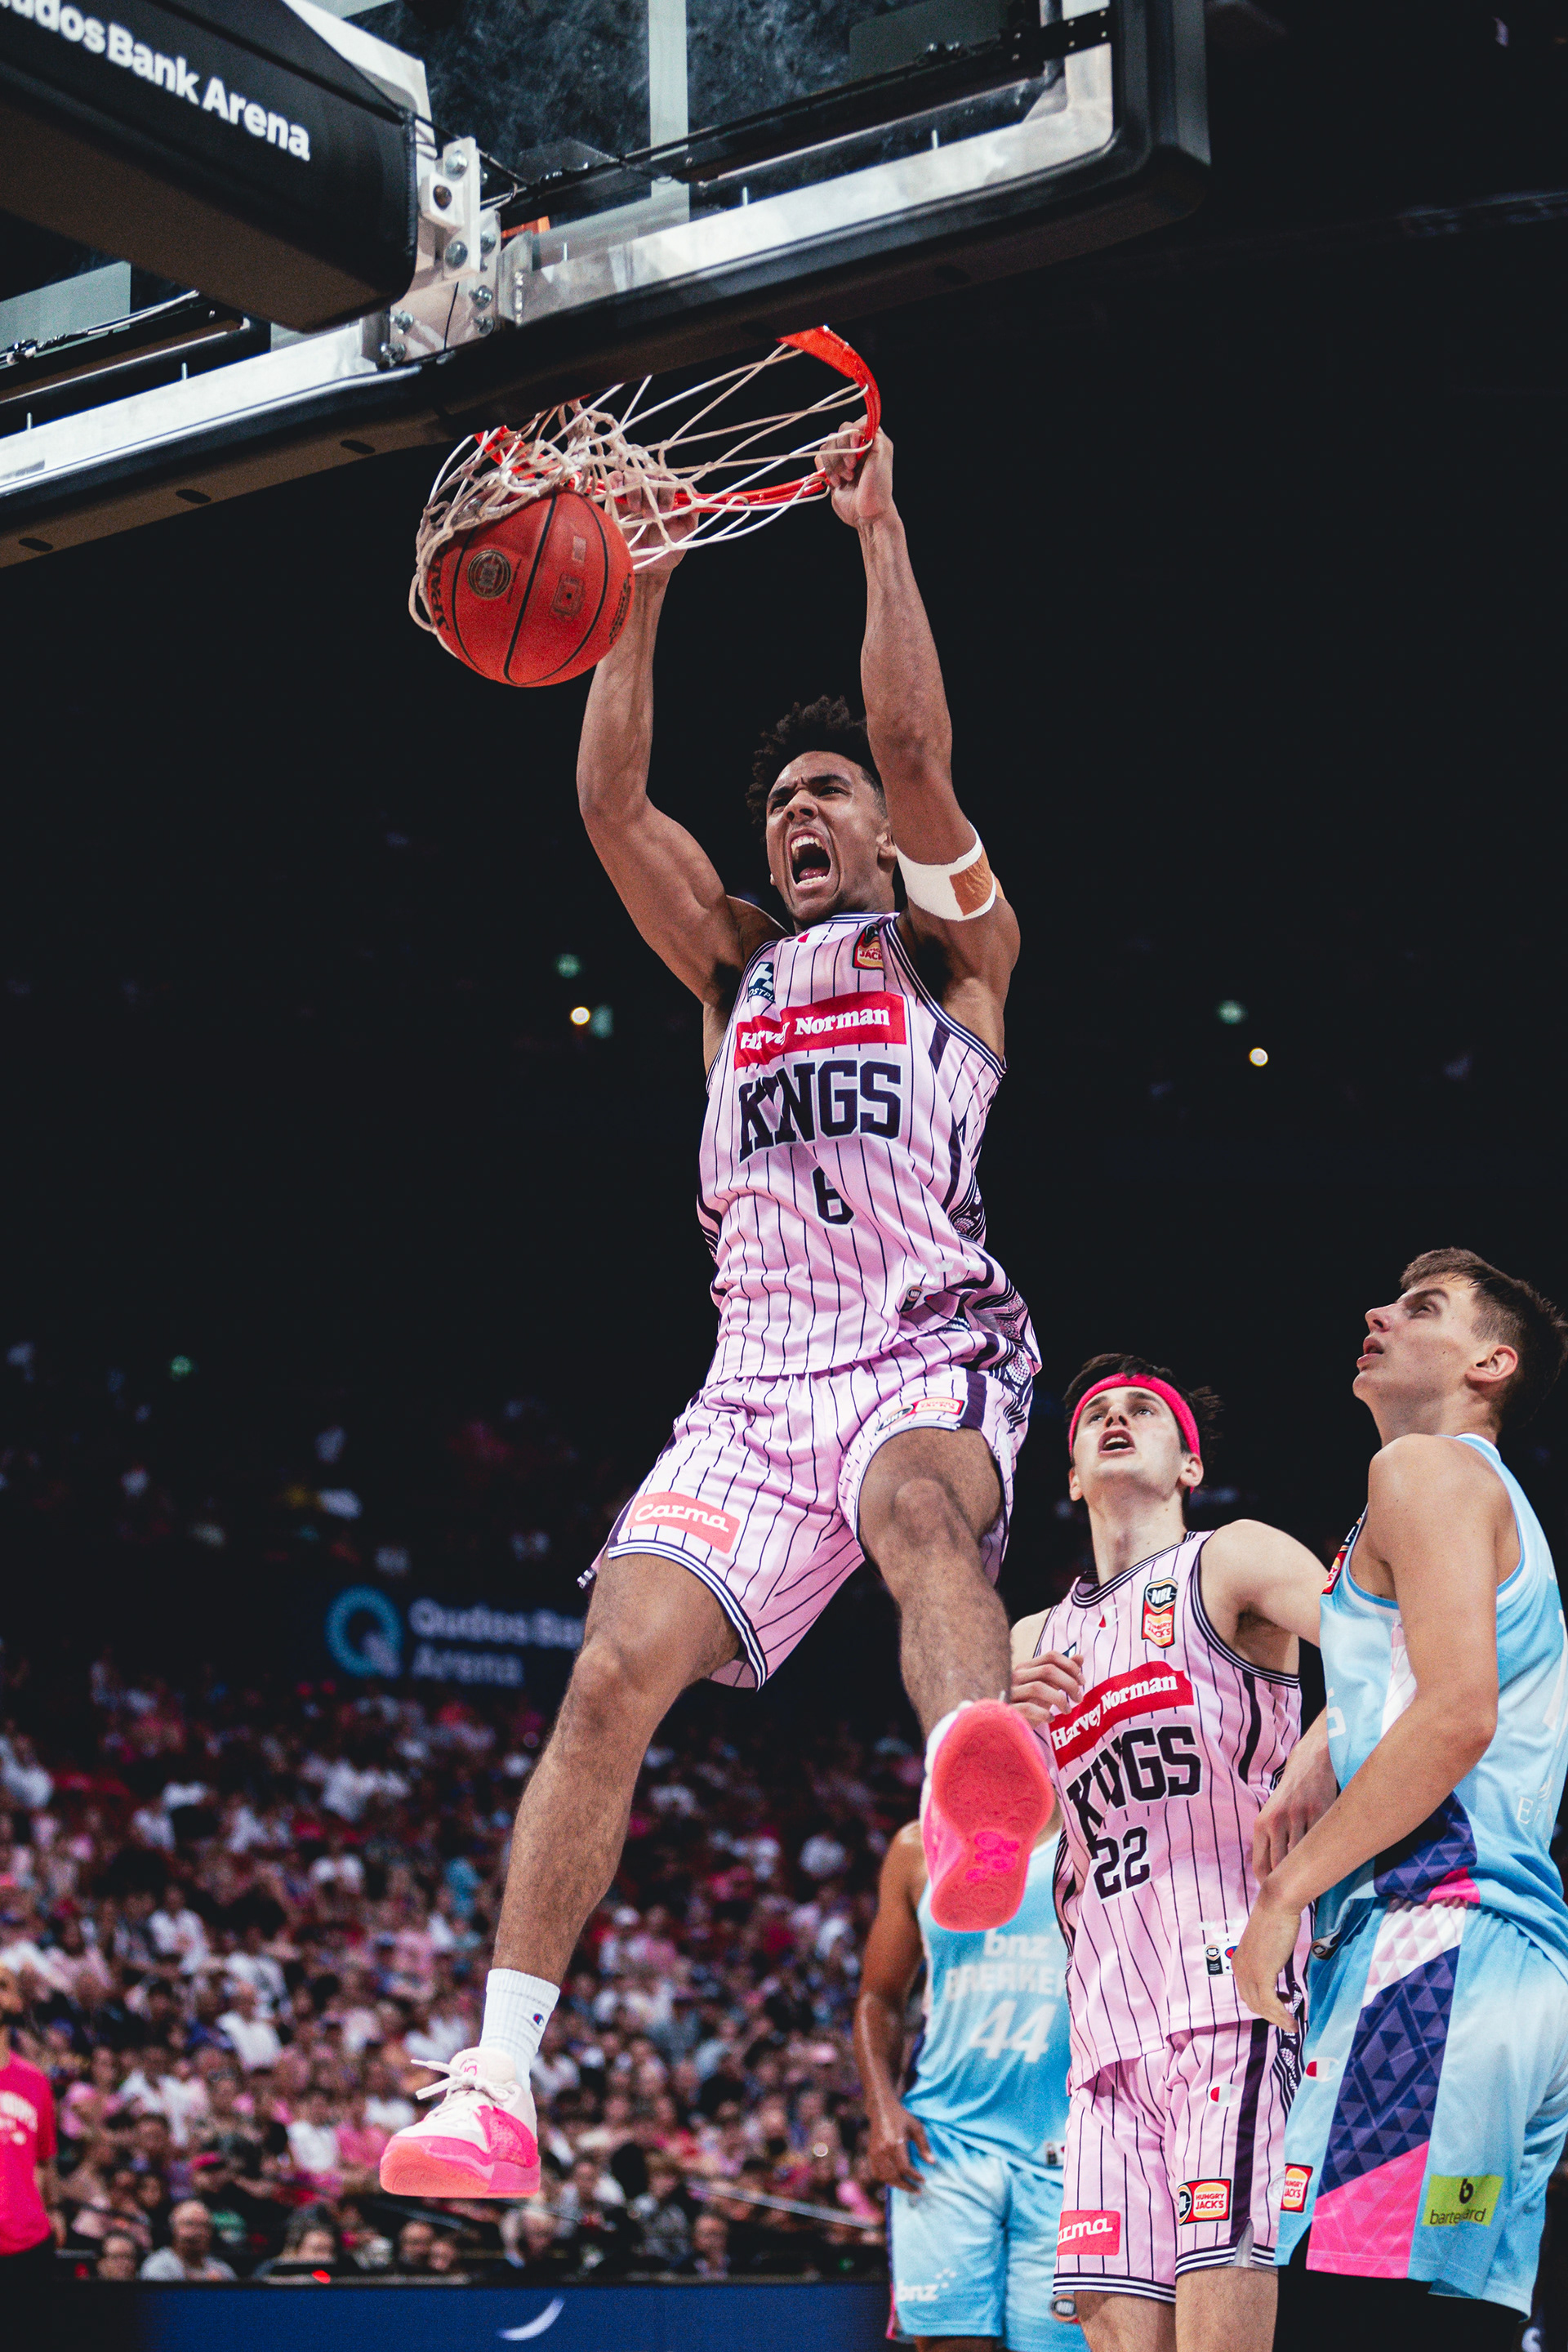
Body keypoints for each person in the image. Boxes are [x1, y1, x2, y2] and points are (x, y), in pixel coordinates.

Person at [383, 411, 1050, 2198]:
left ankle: (978, 1804)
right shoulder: (731, 967)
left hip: (921, 1340)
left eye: (824, 794)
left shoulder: (953, 953)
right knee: (609, 1670)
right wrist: (642, 590)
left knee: (921, 1518)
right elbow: (611, 806)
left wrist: (878, 533)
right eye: (781, 803)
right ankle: (497, 2083)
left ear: (882, 830)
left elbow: (914, 741)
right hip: (753, 1385)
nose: (799, 813)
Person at [1234, 1249, 1568, 2349]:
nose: (1378, 1313)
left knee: (1345, 2318)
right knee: (1453, 2325)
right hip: (1513, 1975)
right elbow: (1436, 1675)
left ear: (1490, 1364)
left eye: (1422, 1307)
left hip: (1430, 1952)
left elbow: (1460, 1710)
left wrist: (1286, 1891)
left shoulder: (1422, 1468)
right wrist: (1327, 1736)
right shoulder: (1482, 1498)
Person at [1009, 1356, 1329, 2351]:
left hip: (1230, 1997)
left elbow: (1394, 1643)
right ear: (1070, 1477)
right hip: (1104, 2035)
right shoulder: (1033, 1639)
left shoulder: (1231, 1558)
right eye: (1096, 1414)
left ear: (1189, 1465)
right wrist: (1001, 1741)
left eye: (1144, 1410)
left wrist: (1318, 1749)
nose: (1117, 1418)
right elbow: (1015, 1837)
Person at [856, 1811, 1072, 2350]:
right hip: (943, 2142)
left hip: (1070, 2147)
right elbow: (878, 1997)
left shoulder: (1100, 1836)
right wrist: (881, 2109)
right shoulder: (918, 1846)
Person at [0, 1964, 62, 2296]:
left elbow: (45, 2160)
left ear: (16, 2001)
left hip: (28, 2243)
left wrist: (55, 2211)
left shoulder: (35, 2081)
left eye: (2, 1986)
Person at [138, 2197, 237, 2279]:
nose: (199, 2232)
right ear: (173, 2229)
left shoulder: (222, 2270)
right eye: (190, 2224)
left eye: (205, 2226)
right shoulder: (158, 2266)